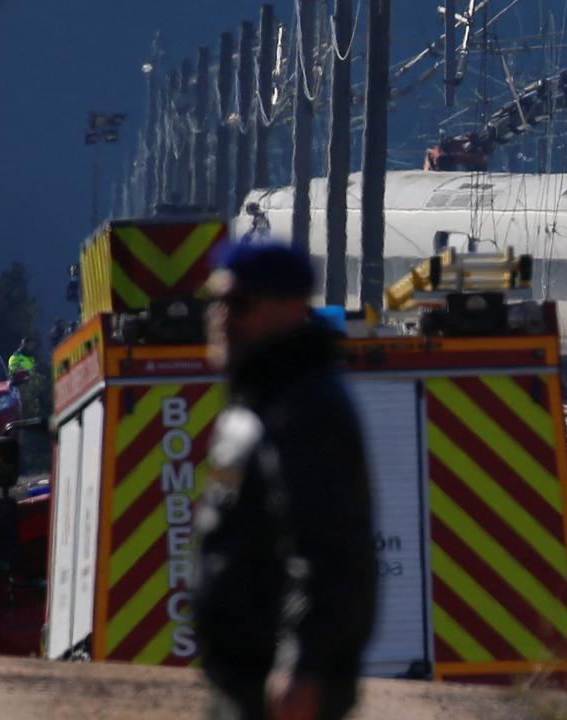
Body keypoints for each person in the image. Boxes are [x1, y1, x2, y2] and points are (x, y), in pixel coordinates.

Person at [196, 243, 376, 720]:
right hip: (245, 677)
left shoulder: (303, 409)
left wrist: (303, 665)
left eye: (238, 303)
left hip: (282, 684)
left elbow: (326, 552)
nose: (220, 318)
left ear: (290, 309)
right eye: (214, 302)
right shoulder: (256, 401)